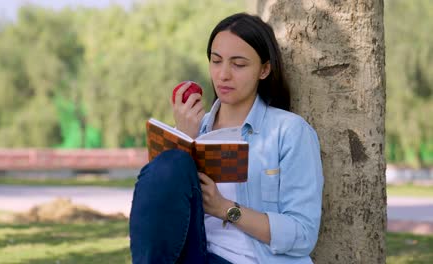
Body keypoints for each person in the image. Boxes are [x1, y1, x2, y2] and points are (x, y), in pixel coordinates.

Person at [130, 12, 324, 264]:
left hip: (254, 260)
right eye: (216, 61)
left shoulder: (289, 131)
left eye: (238, 64)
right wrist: (183, 137)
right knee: (170, 164)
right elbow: (158, 219)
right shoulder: (196, 128)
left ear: (264, 69)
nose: (223, 75)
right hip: (194, 254)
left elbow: (303, 235)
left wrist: (225, 208)